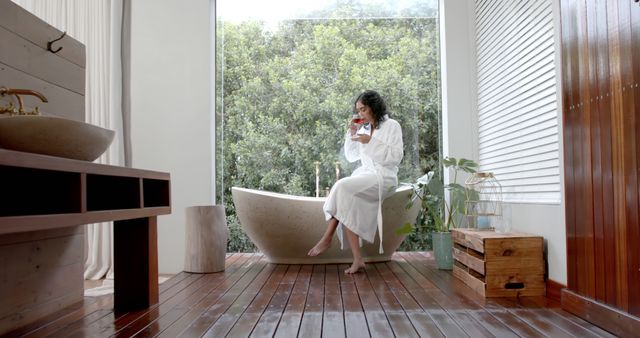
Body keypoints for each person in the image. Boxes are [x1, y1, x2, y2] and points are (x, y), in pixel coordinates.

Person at [307, 90, 404, 274]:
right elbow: (352, 157)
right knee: (346, 200)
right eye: (358, 110)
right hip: (366, 174)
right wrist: (351, 133)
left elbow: (395, 157)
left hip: (385, 177)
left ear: (374, 107)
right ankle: (357, 260)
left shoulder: (392, 125)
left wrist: (371, 142)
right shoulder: (364, 127)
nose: (360, 114)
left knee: (342, 186)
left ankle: (327, 237)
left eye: (363, 109)